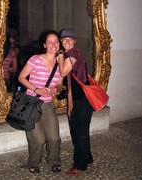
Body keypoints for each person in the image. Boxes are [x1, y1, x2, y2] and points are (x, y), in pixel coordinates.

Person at [18, 30, 63, 173]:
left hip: (48, 105)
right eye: (50, 41)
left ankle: (54, 160)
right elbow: (21, 77)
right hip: (31, 103)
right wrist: (36, 89)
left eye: (56, 41)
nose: (53, 44)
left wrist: (54, 90)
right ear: (44, 44)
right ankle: (33, 162)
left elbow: (60, 84)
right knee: (38, 139)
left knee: (54, 138)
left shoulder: (60, 62)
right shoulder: (35, 59)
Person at [57, 28, 94, 175]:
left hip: (83, 101)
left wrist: (60, 55)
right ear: (61, 41)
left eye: (70, 39)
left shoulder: (72, 53)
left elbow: (63, 72)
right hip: (78, 100)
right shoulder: (70, 55)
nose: (67, 41)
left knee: (80, 133)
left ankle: (80, 164)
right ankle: (87, 157)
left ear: (75, 42)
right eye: (64, 39)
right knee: (78, 131)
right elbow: (65, 78)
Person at [3, 28, 20, 92]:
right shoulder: (14, 50)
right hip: (5, 77)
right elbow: (14, 69)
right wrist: (6, 69)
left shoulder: (0, 49)